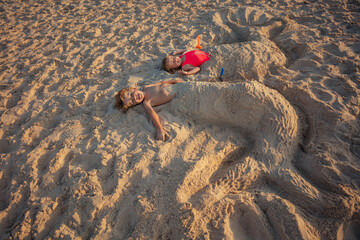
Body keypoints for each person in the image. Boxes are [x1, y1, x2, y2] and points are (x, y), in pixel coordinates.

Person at [115, 79, 185, 141]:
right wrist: (159, 129)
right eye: (132, 101)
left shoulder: (146, 87)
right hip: (182, 94)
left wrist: (175, 81)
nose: (134, 97)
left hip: (180, 84)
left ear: (134, 89)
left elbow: (162, 83)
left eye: (130, 94)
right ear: (135, 105)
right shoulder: (146, 102)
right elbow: (153, 115)